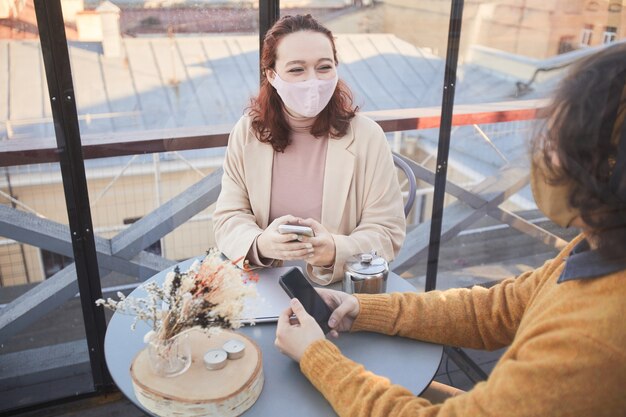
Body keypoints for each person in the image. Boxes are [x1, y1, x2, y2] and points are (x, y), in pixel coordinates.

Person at [275, 42, 626, 416]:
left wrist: (318, 357)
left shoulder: (593, 341)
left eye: (557, 142)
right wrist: (362, 308)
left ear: (606, 170)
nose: (543, 156)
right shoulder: (597, 246)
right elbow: (495, 310)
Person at [213, 15, 406, 285]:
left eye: (324, 67)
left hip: (342, 290)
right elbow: (229, 217)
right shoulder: (247, 133)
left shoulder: (367, 136)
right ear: (271, 74)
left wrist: (336, 251)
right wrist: (261, 244)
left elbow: (388, 230)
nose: (312, 81)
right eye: (296, 70)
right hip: (262, 285)